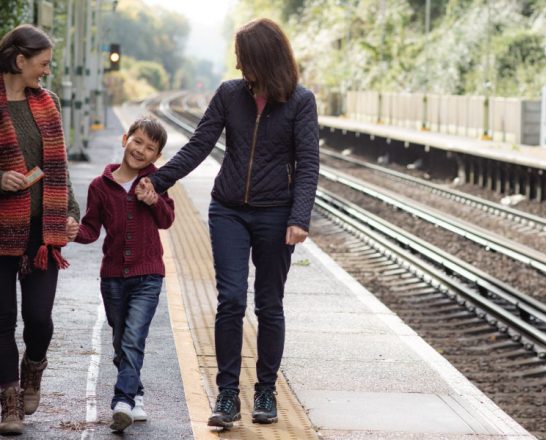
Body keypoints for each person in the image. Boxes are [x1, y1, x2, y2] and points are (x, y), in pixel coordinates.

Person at [140, 17, 319, 428]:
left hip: (277, 214)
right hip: (229, 210)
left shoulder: (300, 101)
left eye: (244, 59)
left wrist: (299, 218)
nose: (239, 67)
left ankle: (266, 392)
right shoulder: (228, 94)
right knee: (231, 300)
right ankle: (226, 395)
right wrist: (157, 180)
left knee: (269, 304)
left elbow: (308, 164)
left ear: (265, 58)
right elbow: (199, 145)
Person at [0, 24, 80, 435]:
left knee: (38, 318)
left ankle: (34, 368)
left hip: (40, 235)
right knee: (1, 319)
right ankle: (9, 402)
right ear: (20, 61)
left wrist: (70, 212)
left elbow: (59, 168)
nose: (47, 72)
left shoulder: (47, 103)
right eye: (43, 63)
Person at [72, 117, 174, 432]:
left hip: (148, 274)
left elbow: (167, 219)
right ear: (124, 139)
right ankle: (136, 391)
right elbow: (91, 229)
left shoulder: (156, 181)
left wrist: (153, 200)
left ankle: (123, 400)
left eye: (150, 148)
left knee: (133, 338)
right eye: (138, 141)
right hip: (113, 277)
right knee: (120, 340)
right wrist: (73, 231)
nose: (141, 150)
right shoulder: (99, 186)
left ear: (156, 157)